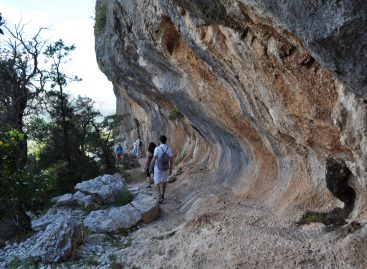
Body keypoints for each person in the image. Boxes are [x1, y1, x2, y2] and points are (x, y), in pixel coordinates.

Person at [150, 135, 173, 204]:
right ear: (166, 141)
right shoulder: (169, 149)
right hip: (165, 168)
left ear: (159, 141)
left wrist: (151, 168)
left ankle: (159, 194)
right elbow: (171, 160)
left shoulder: (157, 149)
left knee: (157, 182)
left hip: (157, 168)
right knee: (164, 181)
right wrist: (171, 169)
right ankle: (163, 194)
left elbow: (153, 160)